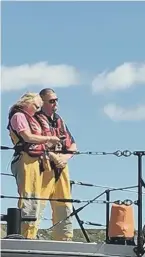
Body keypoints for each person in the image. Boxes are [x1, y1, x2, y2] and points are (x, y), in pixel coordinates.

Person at [7, 92, 61, 239]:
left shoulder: (30, 118)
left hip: (35, 161)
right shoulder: (19, 116)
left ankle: (30, 233)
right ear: (27, 102)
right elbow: (27, 137)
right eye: (36, 106)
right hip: (25, 160)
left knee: (35, 198)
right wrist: (49, 138)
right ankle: (25, 234)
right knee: (29, 197)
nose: (37, 110)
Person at [35, 88, 77, 241]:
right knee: (37, 204)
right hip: (43, 167)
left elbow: (72, 145)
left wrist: (64, 158)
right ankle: (28, 236)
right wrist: (53, 156)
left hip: (61, 169)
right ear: (42, 102)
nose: (55, 104)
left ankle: (64, 239)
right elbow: (34, 143)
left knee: (65, 205)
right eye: (51, 101)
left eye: (56, 100)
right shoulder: (36, 119)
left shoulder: (59, 120)